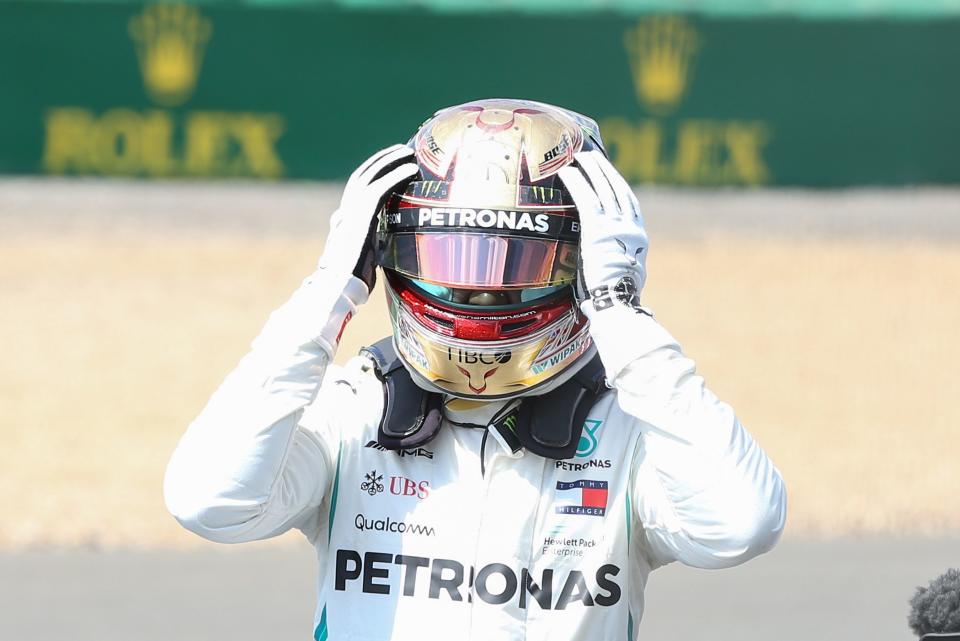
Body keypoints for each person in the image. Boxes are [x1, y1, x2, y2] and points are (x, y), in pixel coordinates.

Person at [164, 99, 786, 641]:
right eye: (453, 256)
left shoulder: (630, 427)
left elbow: (741, 525)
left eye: (517, 264)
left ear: (586, 264)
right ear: (388, 252)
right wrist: (327, 293)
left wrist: (621, 314)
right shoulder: (357, 408)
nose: (481, 292)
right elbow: (209, 501)